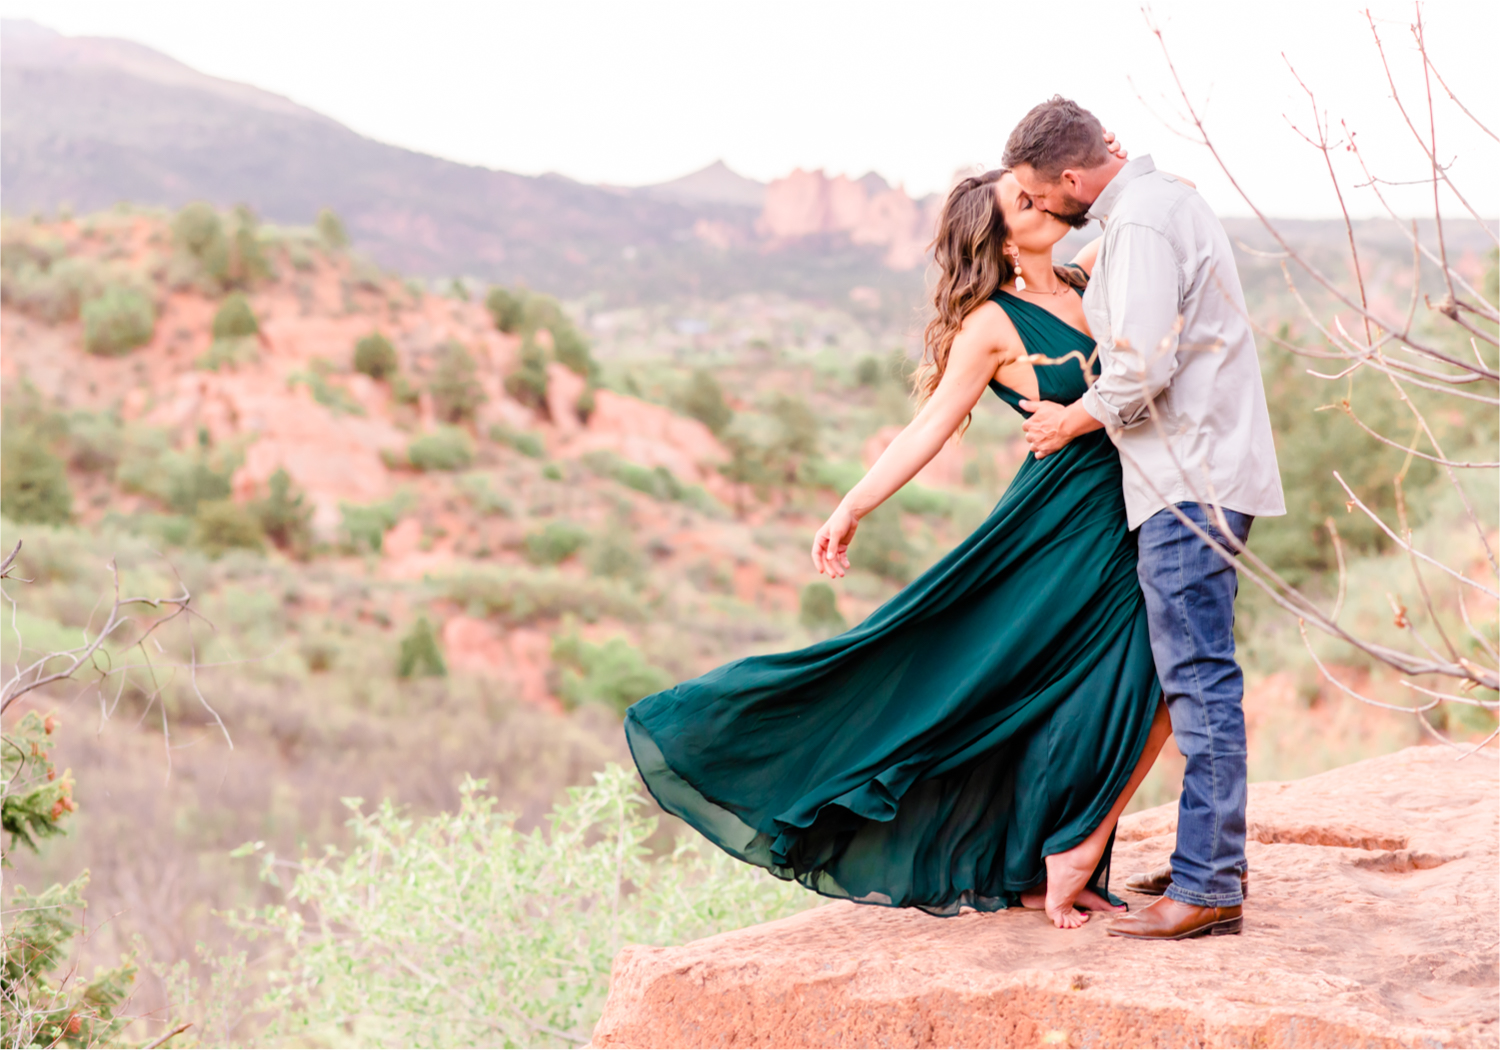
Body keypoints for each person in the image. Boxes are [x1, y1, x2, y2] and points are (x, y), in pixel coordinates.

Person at [624, 132, 1176, 931]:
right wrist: (852, 506)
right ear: (997, 237)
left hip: (1137, 509)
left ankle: (1053, 855)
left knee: (1125, 683)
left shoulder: (1095, 279)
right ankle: (1057, 857)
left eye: (1037, 192)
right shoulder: (991, 324)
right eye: (1023, 203)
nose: (1045, 204)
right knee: (1074, 682)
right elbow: (928, 428)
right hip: (1060, 528)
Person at [1003, 97, 1285, 940]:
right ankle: (1213, 860)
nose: (1044, 209)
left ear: (1071, 178)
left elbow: (1141, 366)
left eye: (1038, 193)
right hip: (1202, 471)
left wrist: (1069, 418)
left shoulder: (1140, 228)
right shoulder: (1160, 205)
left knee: (1198, 678)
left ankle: (1207, 887)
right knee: (1193, 676)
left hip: (1186, 481)